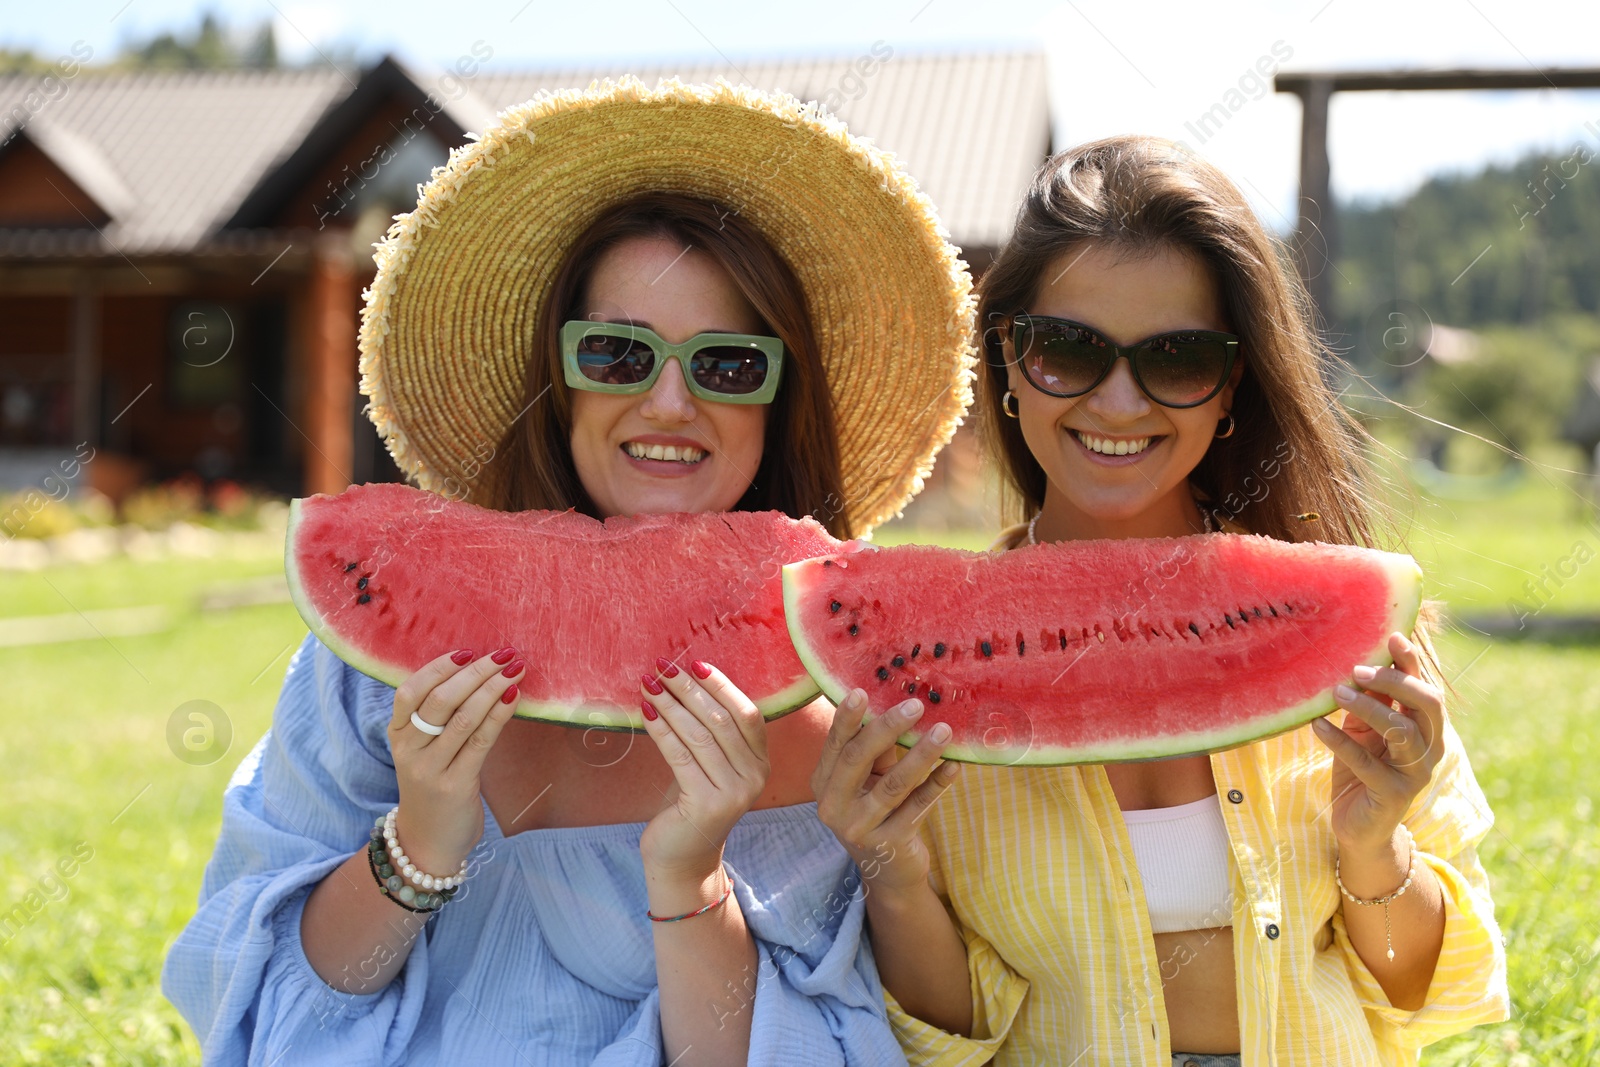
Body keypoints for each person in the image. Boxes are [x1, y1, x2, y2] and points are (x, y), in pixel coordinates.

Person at [161, 77, 977, 1066]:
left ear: (777, 400)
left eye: (725, 365)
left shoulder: (851, 717)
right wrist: (419, 838)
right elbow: (252, 1011)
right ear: (560, 383)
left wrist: (689, 877)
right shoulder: (373, 666)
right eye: (616, 353)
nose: (669, 403)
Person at [812, 136, 1509, 1066]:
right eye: (1068, 350)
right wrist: (891, 871)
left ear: (1230, 390)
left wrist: (1374, 840)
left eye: (1176, 359)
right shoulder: (923, 684)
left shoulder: (1351, 652)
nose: (1119, 401)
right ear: (1010, 366)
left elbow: (1425, 993)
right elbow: (953, 1040)